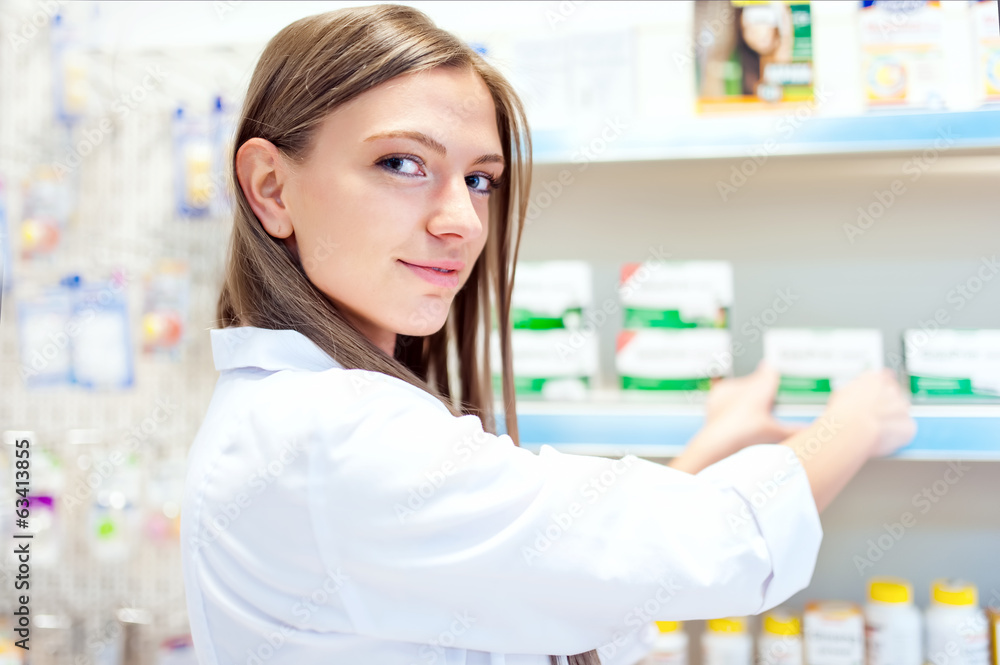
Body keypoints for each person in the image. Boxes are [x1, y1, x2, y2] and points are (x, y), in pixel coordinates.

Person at [179, 5, 917, 665]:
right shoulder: (337, 440)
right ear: (272, 188)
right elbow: (726, 543)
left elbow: (564, 586)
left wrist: (716, 440)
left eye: (480, 179)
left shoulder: (310, 422)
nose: (462, 222)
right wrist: (851, 420)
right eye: (402, 163)